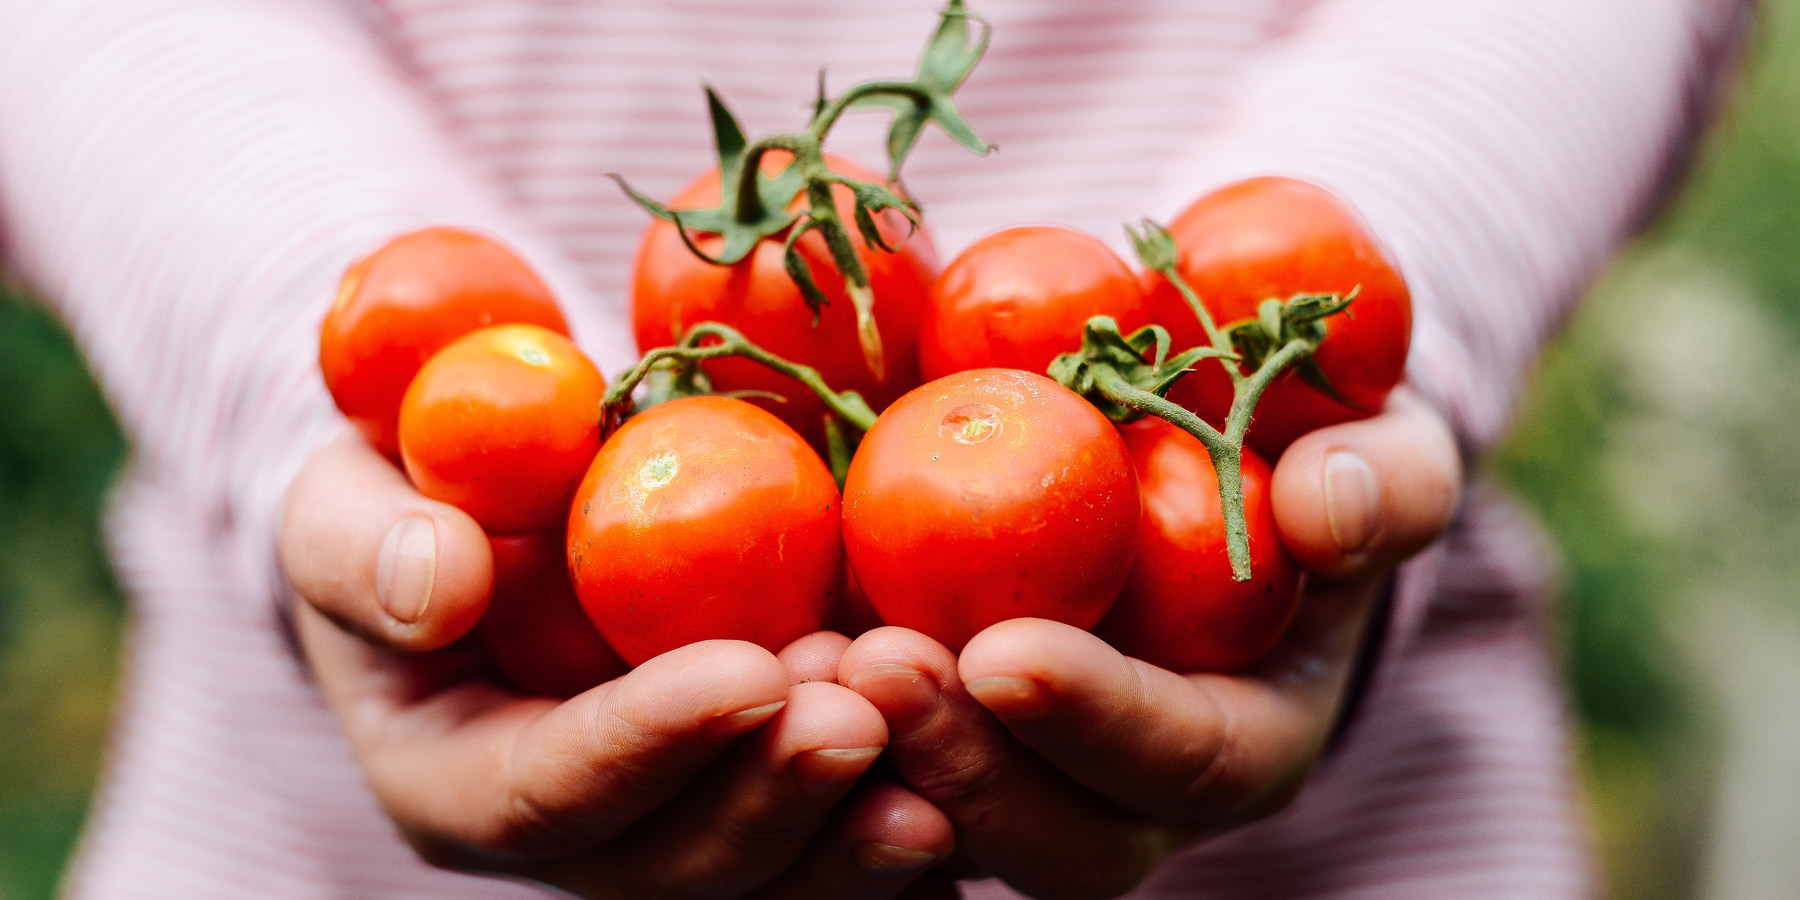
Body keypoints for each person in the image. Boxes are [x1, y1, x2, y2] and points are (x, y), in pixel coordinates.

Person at [0, 0, 1746, 897]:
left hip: (1342, 832)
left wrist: (1324, 365)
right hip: (316, 825)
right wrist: (323, 381)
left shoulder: (1204, 421)